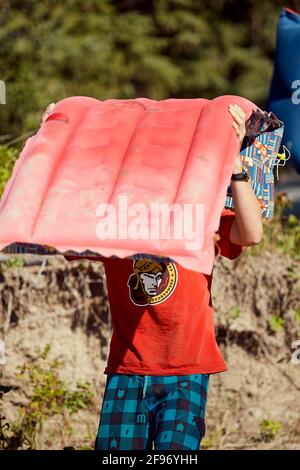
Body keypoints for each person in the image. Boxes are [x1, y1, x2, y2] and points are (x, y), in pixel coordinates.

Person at [42, 102, 263, 450]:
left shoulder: (197, 211)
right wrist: (57, 139)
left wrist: (234, 166)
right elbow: (57, 232)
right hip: (128, 368)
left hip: (186, 368)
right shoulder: (112, 219)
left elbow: (251, 234)